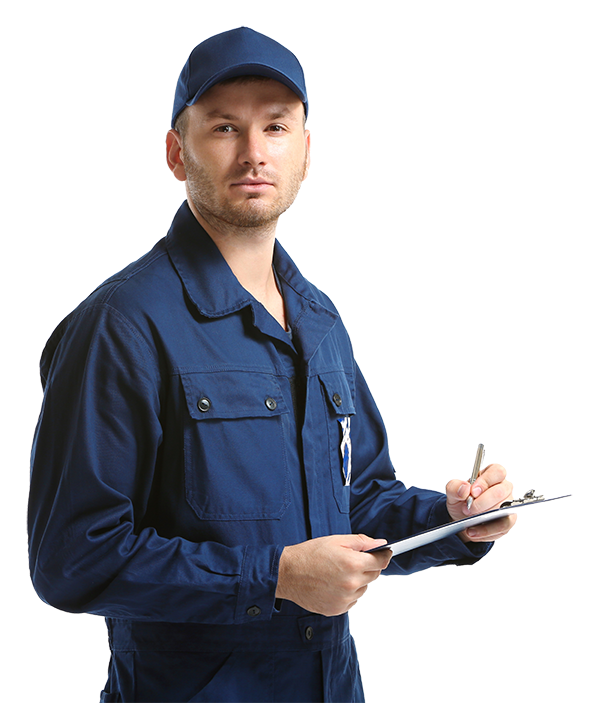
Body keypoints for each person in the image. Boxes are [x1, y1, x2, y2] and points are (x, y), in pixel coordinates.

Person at [28, 26, 516, 703]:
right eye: (225, 127)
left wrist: (454, 521)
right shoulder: (121, 325)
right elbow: (71, 559)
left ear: (307, 151)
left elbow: (359, 499)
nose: (255, 152)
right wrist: (275, 577)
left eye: (277, 126)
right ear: (177, 153)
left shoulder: (318, 321)